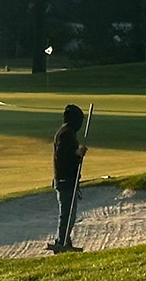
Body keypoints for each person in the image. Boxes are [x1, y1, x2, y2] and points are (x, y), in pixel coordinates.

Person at [51, 104, 88, 250]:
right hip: (64, 180)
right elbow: (62, 155)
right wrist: (76, 153)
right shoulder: (65, 133)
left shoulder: (68, 132)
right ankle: (61, 242)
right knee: (67, 215)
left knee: (68, 214)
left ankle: (66, 242)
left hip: (68, 180)